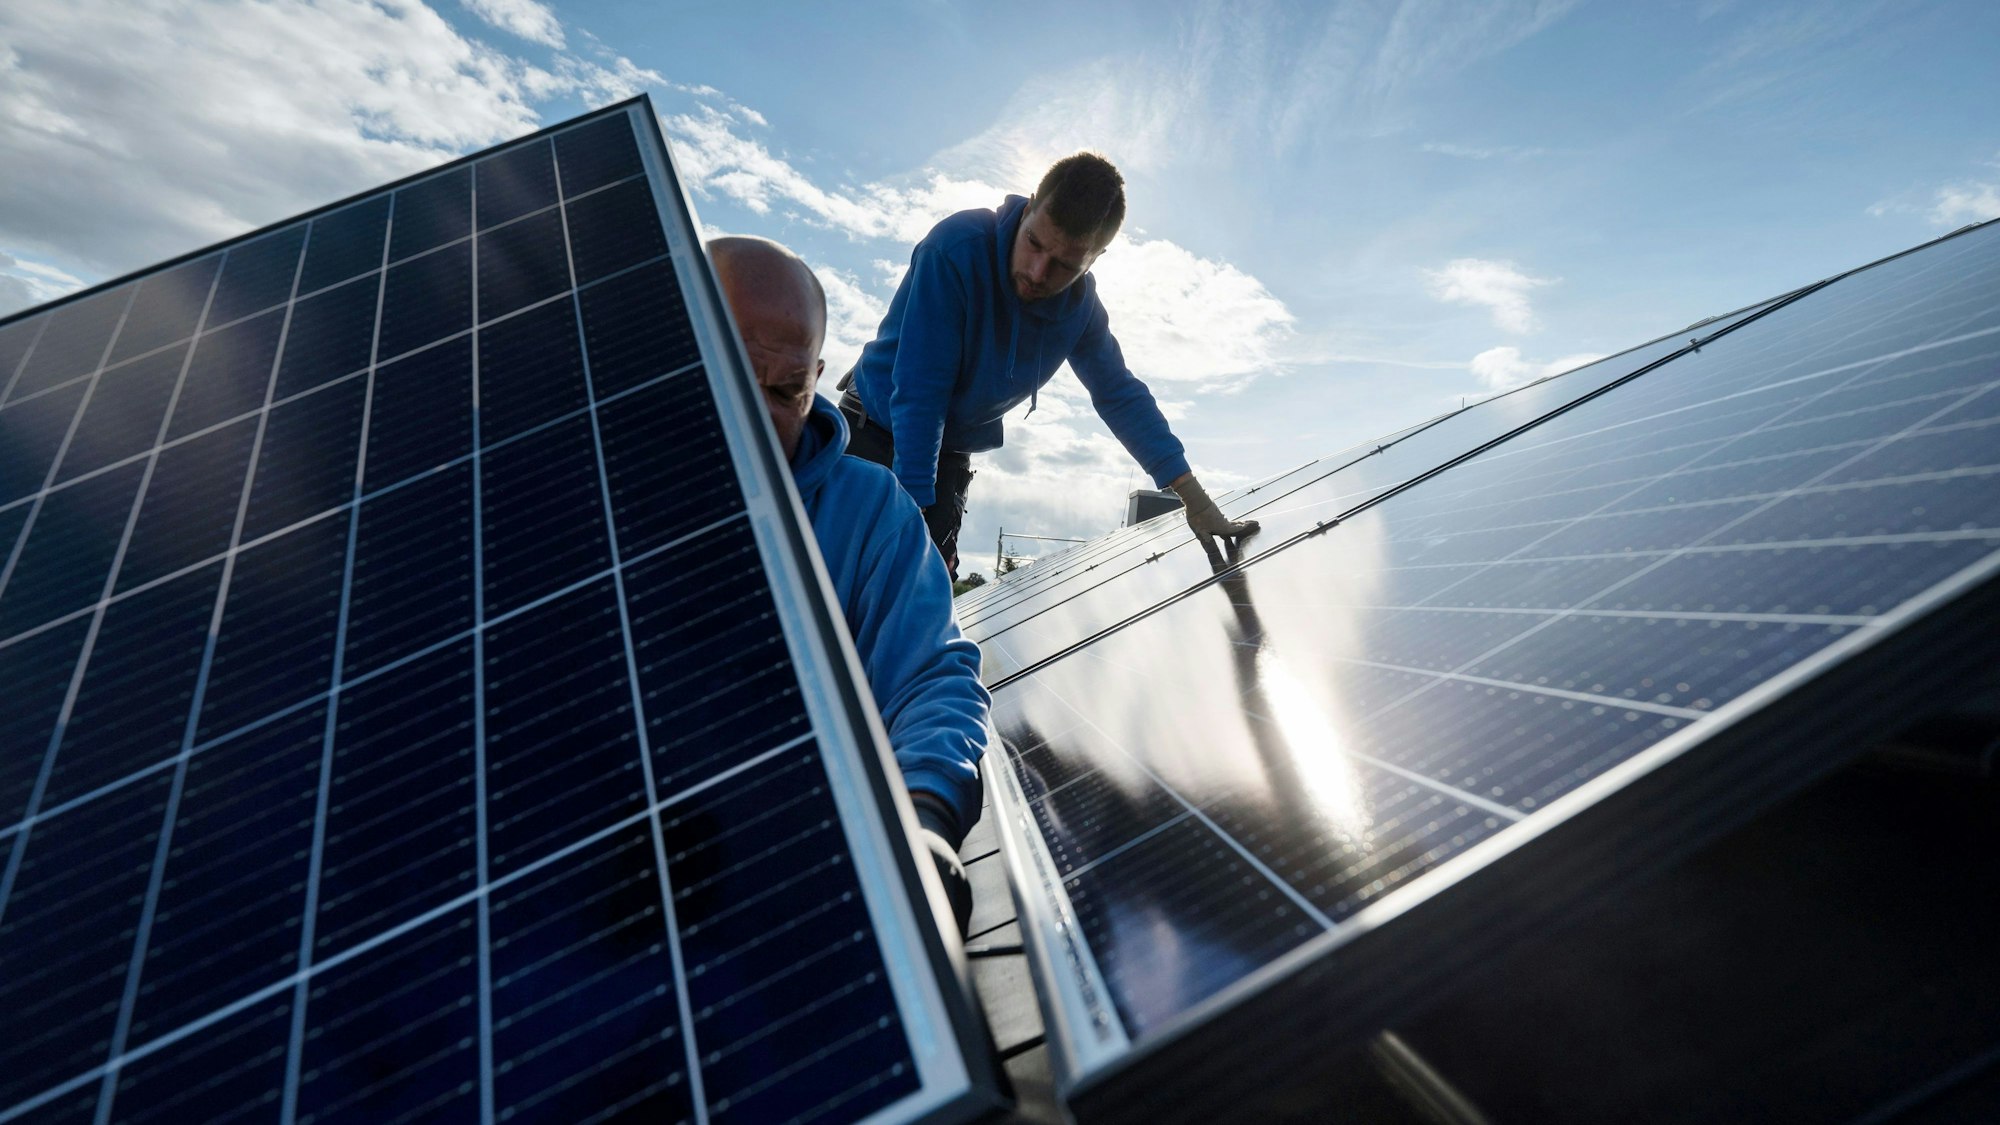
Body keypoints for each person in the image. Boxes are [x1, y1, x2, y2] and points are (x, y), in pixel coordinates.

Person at [707, 235, 987, 935]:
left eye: (787, 390)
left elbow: (930, 677)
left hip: (787, 896)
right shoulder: (577, 492)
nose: (763, 415)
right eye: (736, 376)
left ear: (819, 377)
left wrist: (921, 821)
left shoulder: (870, 513)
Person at [839, 151, 1258, 576]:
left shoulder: (1081, 310)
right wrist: (912, 518)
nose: (1038, 273)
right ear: (1030, 205)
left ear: (1096, 257)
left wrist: (1197, 501)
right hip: (872, 432)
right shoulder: (956, 248)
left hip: (948, 452)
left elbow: (1119, 394)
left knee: (922, 601)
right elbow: (922, 388)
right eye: (1034, 243)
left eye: (1064, 264)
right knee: (853, 580)